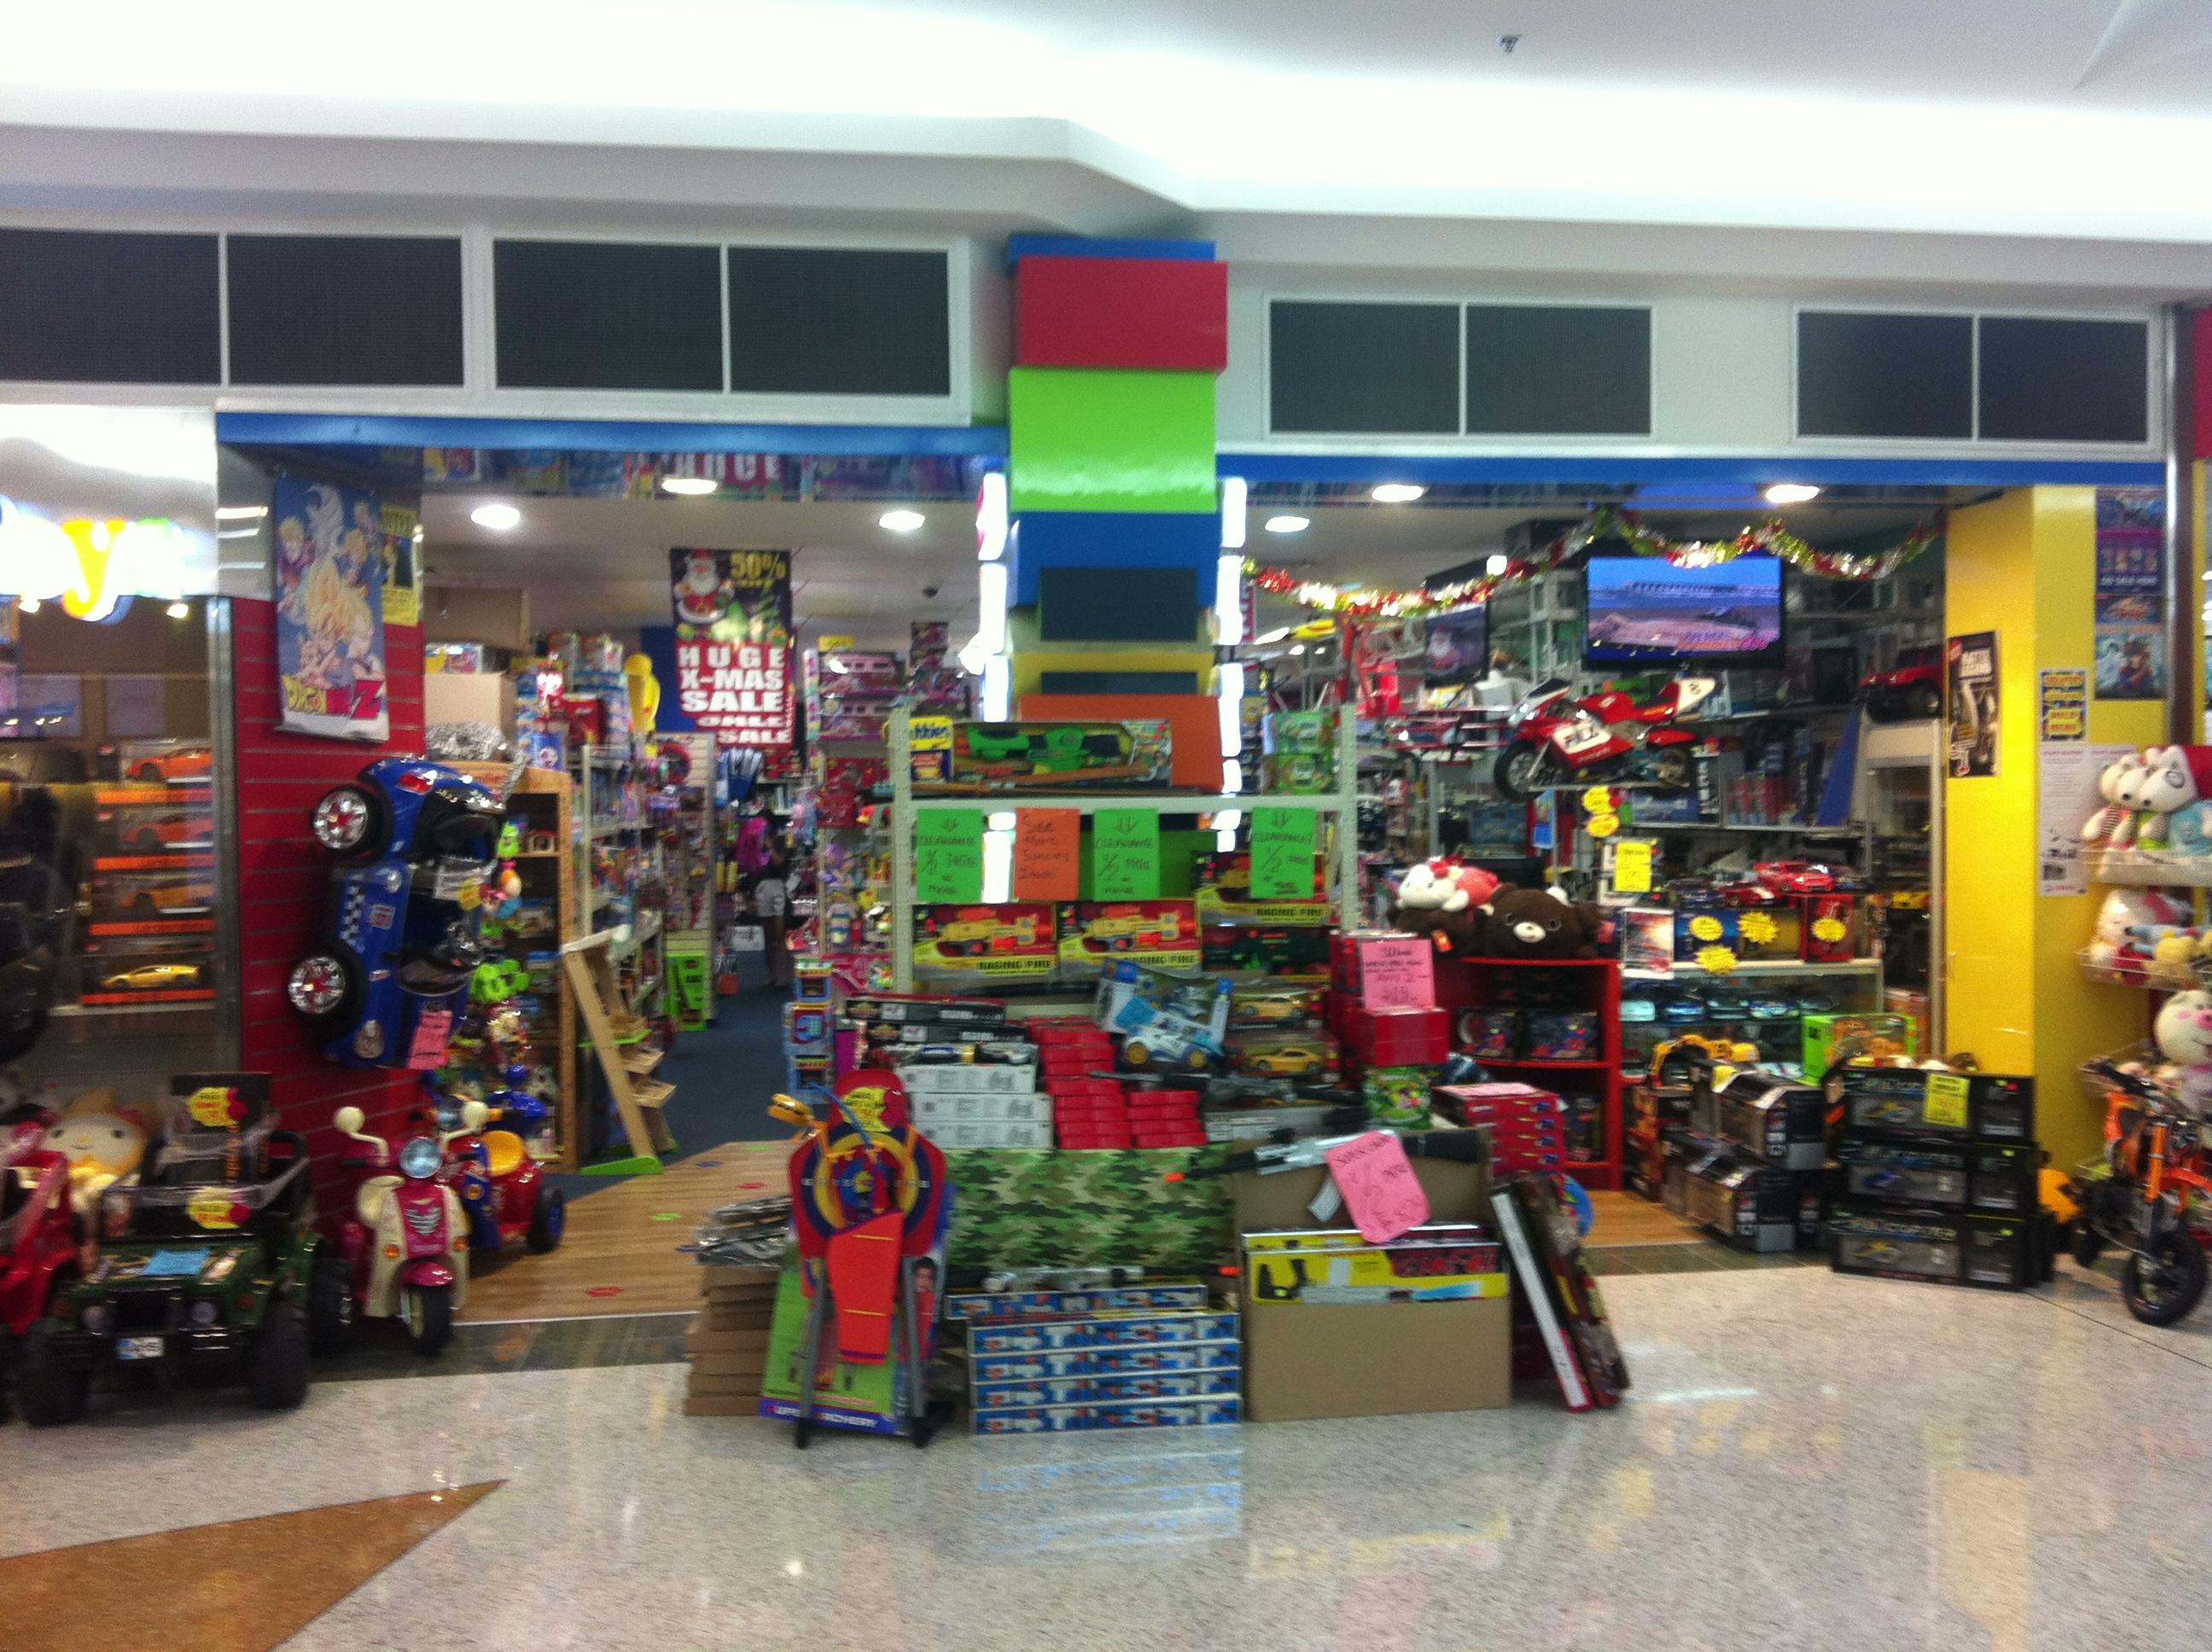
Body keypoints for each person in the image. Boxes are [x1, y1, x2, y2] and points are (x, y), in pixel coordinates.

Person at [753, 855, 791, 988]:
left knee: (780, 937)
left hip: (779, 885)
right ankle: (771, 974)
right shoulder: (761, 848)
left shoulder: (780, 847)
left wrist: (772, 849)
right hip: (763, 885)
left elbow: (780, 861)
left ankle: (783, 975)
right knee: (768, 938)